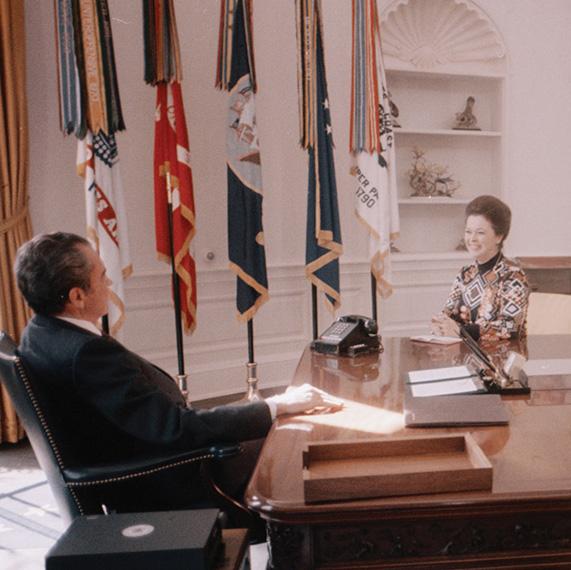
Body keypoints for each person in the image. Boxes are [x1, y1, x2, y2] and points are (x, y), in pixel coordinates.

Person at [14, 232, 342, 515]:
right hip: (169, 476)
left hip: (146, 455)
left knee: (285, 429)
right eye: (102, 277)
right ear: (77, 296)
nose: (109, 282)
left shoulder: (41, 332)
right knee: (295, 444)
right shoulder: (86, 353)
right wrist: (276, 406)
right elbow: (174, 428)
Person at [431, 195, 529, 341]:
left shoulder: (513, 276)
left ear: (499, 237)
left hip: (500, 359)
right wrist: (440, 324)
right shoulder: (465, 274)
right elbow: (448, 314)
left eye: (480, 232)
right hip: (462, 357)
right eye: (468, 231)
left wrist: (462, 331)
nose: (472, 239)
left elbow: (510, 327)